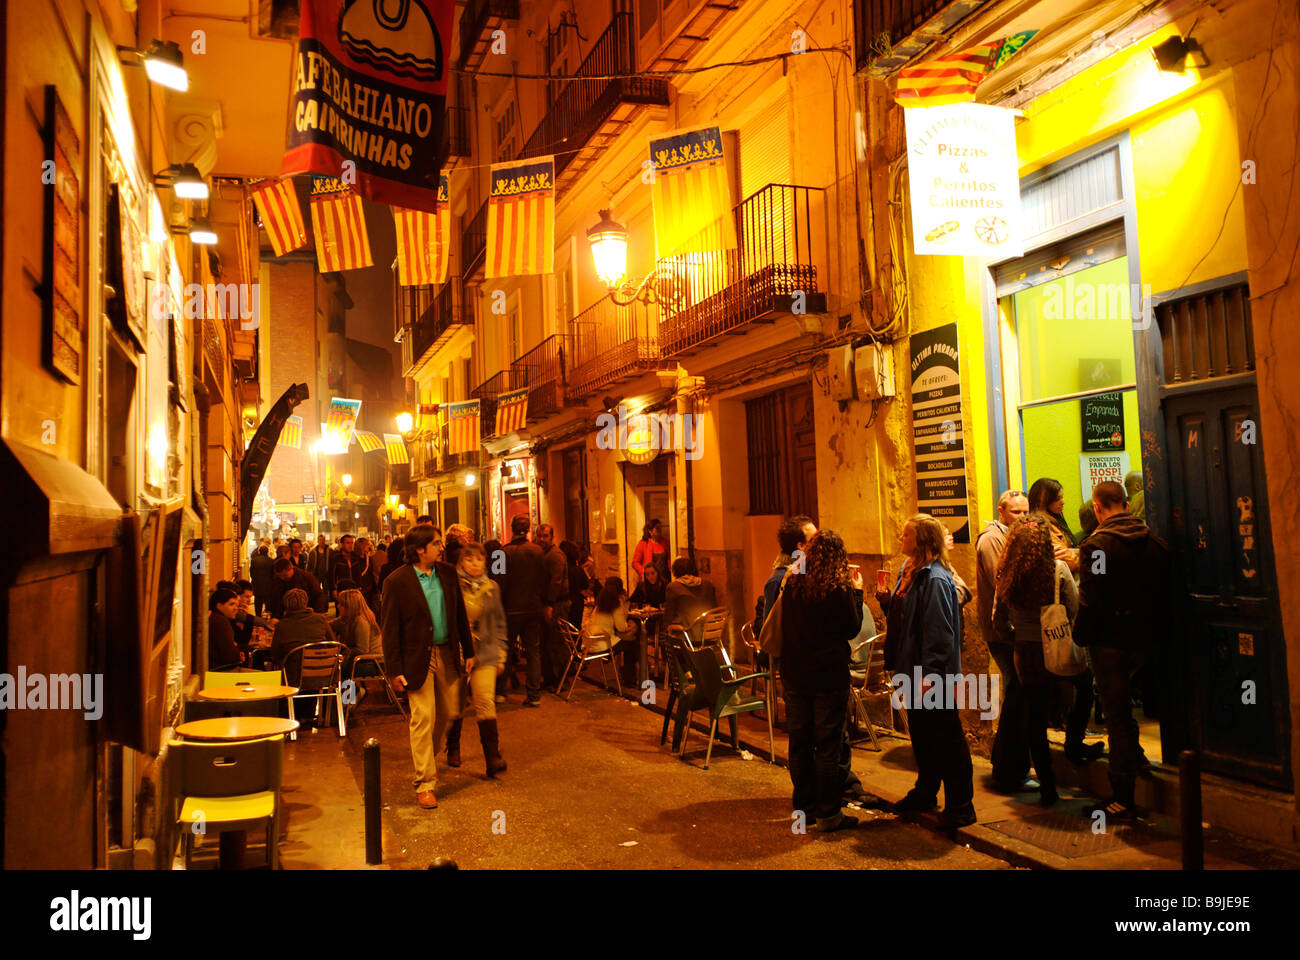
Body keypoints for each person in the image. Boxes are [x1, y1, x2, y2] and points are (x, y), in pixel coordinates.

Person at [1075, 480, 1172, 820]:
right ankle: (1138, 759)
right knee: (1130, 712)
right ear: (1127, 505)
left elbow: (1093, 597)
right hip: (1146, 639)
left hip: (1110, 642)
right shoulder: (1155, 544)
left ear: (1098, 508)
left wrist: (1081, 635)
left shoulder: (1097, 547)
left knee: (1116, 716)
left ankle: (1122, 797)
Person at [878, 514, 975, 829]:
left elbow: (939, 633)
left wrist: (930, 677)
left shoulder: (935, 579)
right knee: (922, 736)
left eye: (906, 534)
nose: (900, 538)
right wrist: (887, 602)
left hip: (932, 676)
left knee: (947, 738)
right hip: (910, 668)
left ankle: (961, 805)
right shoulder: (909, 571)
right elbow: (906, 619)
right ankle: (925, 791)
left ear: (921, 540)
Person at [381, 524, 474, 810]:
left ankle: (428, 760)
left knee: (447, 714)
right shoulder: (397, 581)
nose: (441, 548)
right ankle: (424, 783)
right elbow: (390, 629)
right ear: (420, 549)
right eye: (436, 543)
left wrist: (469, 650)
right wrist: (394, 670)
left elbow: (459, 614)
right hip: (416, 657)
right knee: (423, 717)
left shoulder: (447, 574)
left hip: (447, 653)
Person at [779, 530, 865, 832]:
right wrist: (858, 593)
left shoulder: (793, 583)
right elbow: (852, 628)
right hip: (828, 675)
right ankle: (829, 813)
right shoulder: (838, 588)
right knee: (828, 745)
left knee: (800, 743)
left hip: (795, 674)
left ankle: (805, 809)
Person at [992, 516, 1078, 806]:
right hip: (1056, 645)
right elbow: (1074, 607)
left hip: (1025, 652)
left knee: (1035, 720)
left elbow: (998, 620)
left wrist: (1015, 637)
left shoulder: (1008, 573)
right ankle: (1074, 746)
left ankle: (1047, 787)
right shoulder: (1058, 569)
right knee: (1083, 691)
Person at [974, 490, 1032, 791]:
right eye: (1016, 512)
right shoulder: (992, 540)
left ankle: (1008, 765)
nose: (1022, 517)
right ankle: (1009, 769)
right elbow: (1004, 583)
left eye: (1025, 512)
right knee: (1017, 694)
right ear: (1001, 511)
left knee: (1017, 694)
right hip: (1003, 632)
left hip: (1012, 630)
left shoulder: (1012, 537)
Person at [451, 542, 509, 777]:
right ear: (461, 562)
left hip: (486, 653)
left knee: (485, 702)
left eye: (479, 559)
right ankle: (453, 747)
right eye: (469, 559)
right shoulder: (453, 586)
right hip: (459, 655)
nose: (474, 564)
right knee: (456, 703)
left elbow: (499, 622)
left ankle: (492, 758)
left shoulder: (492, 587)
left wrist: (501, 653)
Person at [583, 578, 641, 686]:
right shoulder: (615, 603)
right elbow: (621, 628)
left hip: (590, 642)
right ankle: (629, 679)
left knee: (627, 641)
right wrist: (629, 624)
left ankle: (623, 672)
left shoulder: (600, 603)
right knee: (632, 643)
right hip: (603, 643)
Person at [535, 523, 570, 686]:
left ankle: (561, 679)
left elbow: (556, 581)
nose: (541, 539)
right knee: (546, 642)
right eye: (539, 536)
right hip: (546, 603)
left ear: (552, 537)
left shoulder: (556, 555)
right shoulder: (542, 553)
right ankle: (549, 678)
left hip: (557, 604)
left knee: (557, 642)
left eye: (545, 536)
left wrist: (550, 604)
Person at [270, 588, 337, 668]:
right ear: (306, 602)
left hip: (294, 672)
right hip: (323, 669)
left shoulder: (281, 625)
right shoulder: (320, 619)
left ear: (286, 605)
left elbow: (275, 654)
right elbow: (333, 644)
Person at [1027, 478, 1079, 573]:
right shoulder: (1040, 526)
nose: (1062, 502)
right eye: (1057, 499)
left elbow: (1066, 552)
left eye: (1062, 497)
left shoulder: (1054, 522)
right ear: (1043, 501)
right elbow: (1068, 561)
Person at [662, 557, 718, 635]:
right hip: (710, 632)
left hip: (686, 633)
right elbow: (714, 608)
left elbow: (669, 615)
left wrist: (665, 627)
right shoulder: (708, 585)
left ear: (675, 571)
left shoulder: (673, 587)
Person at [231, 579, 275, 659]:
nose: (249, 600)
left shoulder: (244, 612)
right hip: (236, 656)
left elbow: (246, 638)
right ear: (237, 596)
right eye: (246, 596)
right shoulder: (232, 614)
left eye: (250, 597)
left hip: (244, 653)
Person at [209, 586, 242, 670]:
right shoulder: (221, 621)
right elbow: (230, 657)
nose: (236, 608)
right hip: (219, 671)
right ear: (219, 606)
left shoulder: (214, 617)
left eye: (237, 605)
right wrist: (237, 654)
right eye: (231, 604)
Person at [631, 519, 669, 583]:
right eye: (657, 528)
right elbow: (635, 562)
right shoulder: (643, 544)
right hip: (650, 579)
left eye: (660, 528)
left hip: (664, 579)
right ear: (650, 531)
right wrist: (645, 573)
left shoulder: (665, 543)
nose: (660, 530)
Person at [330, 535, 365, 599]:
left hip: (354, 590)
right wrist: (333, 589)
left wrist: (359, 586)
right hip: (341, 590)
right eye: (347, 543)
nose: (350, 545)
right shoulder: (336, 558)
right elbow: (332, 575)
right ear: (342, 544)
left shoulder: (355, 557)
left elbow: (358, 574)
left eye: (352, 543)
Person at [249, 545, 275, 618]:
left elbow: (251, 572)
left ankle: (258, 615)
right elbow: (273, 573)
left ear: (259, 551)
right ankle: (267, 614)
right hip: (268, 584)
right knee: (268, 600)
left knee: (258, 600)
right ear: (267, 552)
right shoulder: (271, 561)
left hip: (257, 583)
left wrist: (254, 579)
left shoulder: (254, 560)